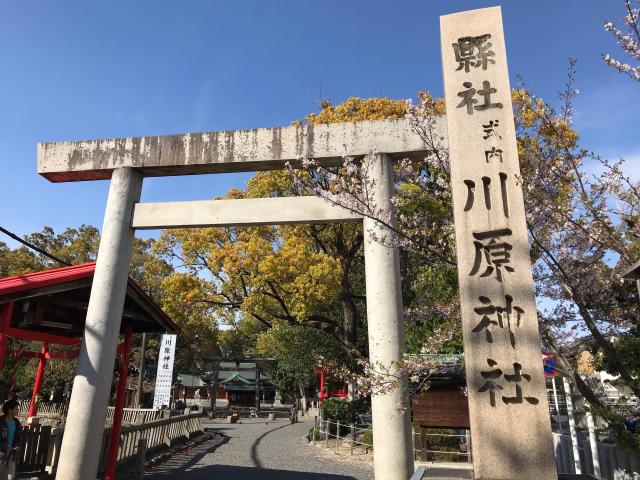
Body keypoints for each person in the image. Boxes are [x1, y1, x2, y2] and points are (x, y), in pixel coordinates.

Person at [0, 400, 21, 480]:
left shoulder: (17, 422)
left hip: (12, 452)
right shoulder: (1, 421)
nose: (18, 410)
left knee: (11, 475)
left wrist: (17, 445)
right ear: (9, 410)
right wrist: (5, 447)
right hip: (1, 452)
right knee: (2, 475)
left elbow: (18, 437)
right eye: (16, 408)